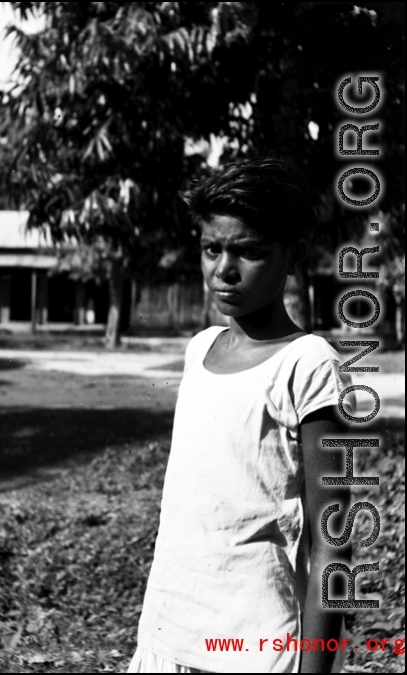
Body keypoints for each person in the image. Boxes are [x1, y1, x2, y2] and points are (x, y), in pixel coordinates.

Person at [128, 158, 355, 674]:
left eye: (249, 252)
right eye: (212, 249)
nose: (224, 270)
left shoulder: (308, 363)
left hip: (256, 646)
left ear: (292, 257)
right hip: (171, 627)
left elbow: (331, 540)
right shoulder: (201, 348)